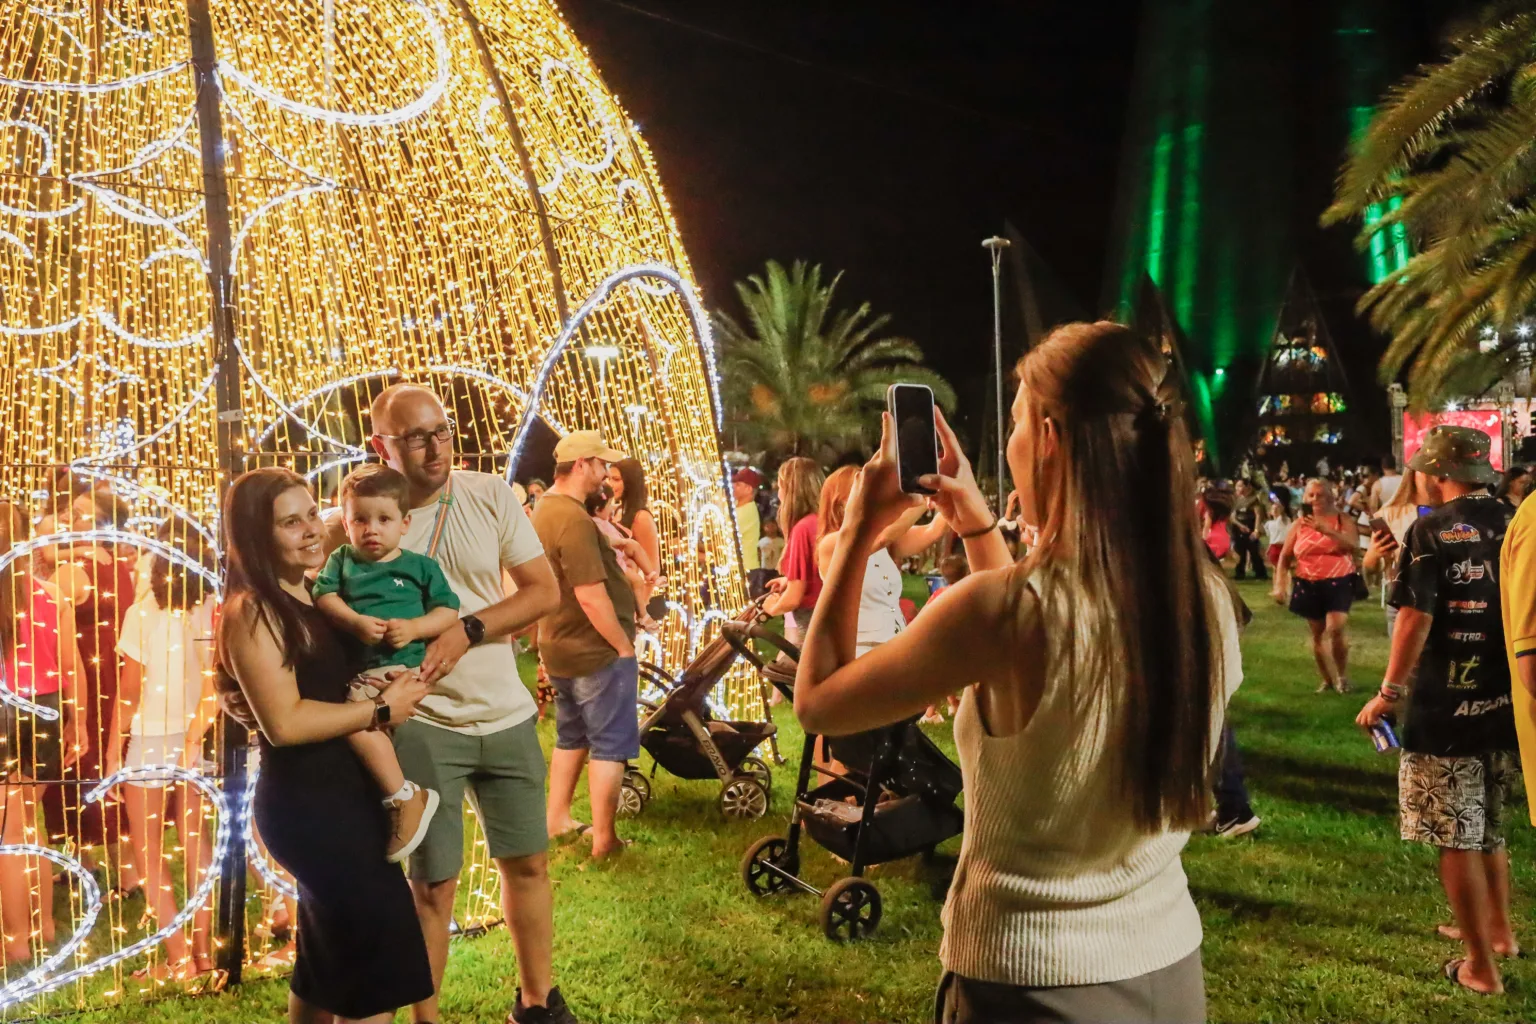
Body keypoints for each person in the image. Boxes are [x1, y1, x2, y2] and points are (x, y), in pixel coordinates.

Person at [795, 322, 1241, 1023]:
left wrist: (856, 531)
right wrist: (976, 526)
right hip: (1166, 966)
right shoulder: (1203, 599)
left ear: (1053, 439)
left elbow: (820, 703)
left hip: (1031, 986)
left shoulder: (1009, 612)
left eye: (1016, 423)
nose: (1009, 445)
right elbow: (1034, 650)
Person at [357, 384, 569, 1024]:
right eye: (416, 437)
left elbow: (543, 592)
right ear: (381, 446)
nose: (435, 447)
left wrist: (469, 628)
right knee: (432, 888)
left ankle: (537, 1003)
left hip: (504, 712)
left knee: (528, 863)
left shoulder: (488, 493)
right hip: (423, 725)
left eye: (442, 431)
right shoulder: (368, 517)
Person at [216, 468, 435, 1024]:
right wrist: (380, 710)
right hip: (312, 805)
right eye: (291, 522)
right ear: (256, 536)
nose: (312, 529)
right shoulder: (254, 610)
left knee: (328, 965)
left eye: (312, 513)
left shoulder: (307, 591)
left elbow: (319, 688)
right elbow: (285, 723)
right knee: (374, 971)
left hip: (343, 795)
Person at [1356, 426, 1519, 996]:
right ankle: (1499, 932)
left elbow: (1414, 618)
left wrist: (1388, 693)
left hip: (1446, 706)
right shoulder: (1515, 519)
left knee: (1456, 835)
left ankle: (1480, 966)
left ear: (1436, 470)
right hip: (1506, 703)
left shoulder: (1431, 530)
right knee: (1490, 824)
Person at [312, 464, 454, 862]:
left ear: (405, 523)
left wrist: (413, 627)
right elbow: (325, 597)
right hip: (364, 667)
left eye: (384, 519)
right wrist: (355, 623)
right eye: (360, 519)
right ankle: (392, 800)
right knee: (368, 728)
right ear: (345, 520)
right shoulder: (341, 560)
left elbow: (448, 612)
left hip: (403, 668)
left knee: (356, 719)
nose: (371, 529)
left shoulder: (419, 567)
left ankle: (403, 797)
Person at [108, 534, 219, 982]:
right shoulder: (210, 608)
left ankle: (178, 959)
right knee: (196, 839)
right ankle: (205, 952)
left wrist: (115, 749)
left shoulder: (143, 615)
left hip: (153, 735)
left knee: (147, 848)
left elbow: (131, 691)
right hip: (197, 732)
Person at [533, 432, 638, 861]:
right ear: (581, 466)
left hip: (558, 642)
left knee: (570, 735)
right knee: (609, 743)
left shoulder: (545, 510)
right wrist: (623, 647)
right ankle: (604, 840)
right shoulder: (574, 519)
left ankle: (556, 819)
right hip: (594, 649)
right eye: (600, 465)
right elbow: (590, 594)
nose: (605, 475)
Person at [0, 502, 78, 963]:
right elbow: (70, 668)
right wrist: (78, 720)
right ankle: (44, 924)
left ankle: (16, 942)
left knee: (9, 833)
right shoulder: (51, 595)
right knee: (32, 822)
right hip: (45, 709)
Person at [815, 466, 948, 658]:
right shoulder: (830, 544)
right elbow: (881, 536)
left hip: (895, 645)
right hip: (860, 652)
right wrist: (922, 496)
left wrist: (951, 494)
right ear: (840, 503)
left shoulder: (884, 542)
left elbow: (932, 531)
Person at [1272, 478, 1361, 693]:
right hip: (1308, 582)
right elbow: (1284, 557)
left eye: (1320, 494)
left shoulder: (1342, 519)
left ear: (1331, 497)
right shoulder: (1299, 524)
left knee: (1336, 627)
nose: (1315, 499)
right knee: (1318, 634)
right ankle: (1327, 680)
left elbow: (1353, 546)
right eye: (1311, 495)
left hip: (1339, 580)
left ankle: (1342, 676)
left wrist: (1327, 530)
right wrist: (1280, 585)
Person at [1361, 468, 1439, 641]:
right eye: (1426, 470)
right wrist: (1374, 554)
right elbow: (1370, 568)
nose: (1434, 478)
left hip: (1446, 601)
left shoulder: (1455, 512)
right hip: (1404, 601)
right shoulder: (1390, 515)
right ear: (1412, 474)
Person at [762, 457, 824, 644]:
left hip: (810, 620)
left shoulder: (802, 528)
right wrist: (789, 579)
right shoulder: (822, 521)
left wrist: (771, 608)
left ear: (790, 490)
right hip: (828, 616)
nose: (778, 492)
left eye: (780, 486)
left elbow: (794, 597)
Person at [607, 458, 660, 594]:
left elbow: (653, 571)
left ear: (630, 482)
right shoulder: (616, 511)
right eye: (609, 479)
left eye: (616, 479)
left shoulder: (641, 518)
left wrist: (641, 610)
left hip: (640, 599)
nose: (610, 484)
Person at [733, 468, 766, 594]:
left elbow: (724, 541)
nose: (733, 487)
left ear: (749, 489)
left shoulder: (746, 511)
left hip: (743, 568)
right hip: (739, 567)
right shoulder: (737, 507)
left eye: (738, 485)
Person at [1230, 479, 1267, 581]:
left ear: (1247, 487)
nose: (1238, 488)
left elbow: (1258, 515)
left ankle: (1260, 573)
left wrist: (1256, 530)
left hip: (1250, 527)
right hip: (1239, 528)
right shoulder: (1237, 500)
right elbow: (1232, 516)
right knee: (1240, 551)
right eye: (1237, 486)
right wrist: (1239, 525)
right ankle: (1240, 573)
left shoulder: (1254, 499)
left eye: (1240, 486)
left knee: (1254, 551)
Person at [1262, 496, 1291, 569]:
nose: (1275, 510)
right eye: (1273, 509)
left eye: (1277, 509)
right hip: (1274, 547)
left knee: (1284, 568)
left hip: (1283, 546)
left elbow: (1281, 508)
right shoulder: (1268, 524)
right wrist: (1269, 548)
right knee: (1275, 567)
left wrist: (1275, 499)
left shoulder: (1285, 520)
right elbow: (1272, 537)